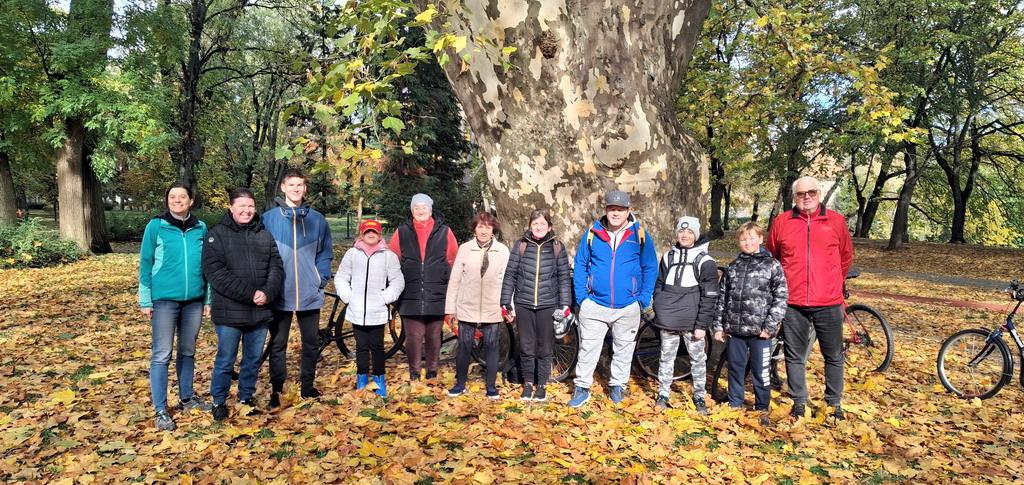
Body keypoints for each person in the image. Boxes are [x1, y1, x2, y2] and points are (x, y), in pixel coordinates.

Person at [765, 176, 854, 420]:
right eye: (801, 193)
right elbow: (772, 257)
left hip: (828, 301)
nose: (807, 197)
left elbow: (845, 256)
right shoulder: (782, 222)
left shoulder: (835, 221)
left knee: (833, 354)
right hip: (793, 302)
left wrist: (832, 281)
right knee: (795, 355)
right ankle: (799, 403)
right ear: (794, 196)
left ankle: (833, 404)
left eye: (811, 192)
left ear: (819, 193)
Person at [568, 190, 658, 408]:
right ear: (606, 210)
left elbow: (650, 266)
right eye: (611, 209)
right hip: (595, 304)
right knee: (588, 348)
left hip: (628, 305)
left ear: (628, 211)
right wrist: (582, 297)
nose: (615, 213)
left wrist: (643, 298)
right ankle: (582, 388)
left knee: (624, 348)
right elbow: (580, 264)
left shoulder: (640, 235)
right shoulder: (592, 233)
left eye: (620, 209)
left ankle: (617, 386)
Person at [203, 188, 284, 421]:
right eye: (242, 206)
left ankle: (245, 397)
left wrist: (268, 292)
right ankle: (219, 400)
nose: (247, 211)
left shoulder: (264, 235)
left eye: (250, 206)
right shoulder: (216, 235)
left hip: (259, 311)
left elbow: (276, 267)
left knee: (252, 360)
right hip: (230, 312)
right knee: (226, 359)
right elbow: (216, 274)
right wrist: (251, 294)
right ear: (231, 207)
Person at [138, 183, 212, 431]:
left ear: (191, 200)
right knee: (161, 354)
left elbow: (208, 266)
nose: (177, 200)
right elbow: (145, 264)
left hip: (194, 300)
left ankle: (187, 398)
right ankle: (160, 409)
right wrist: (145, 299)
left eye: (182, 196)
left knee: (188, 351)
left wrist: (208, 298)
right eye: (172, 196)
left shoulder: (201, 228)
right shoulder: (156, 226)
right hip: (165, 300)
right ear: (167, 200)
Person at [262, 168, 334, 406]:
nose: (295, 189)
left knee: (311, 343)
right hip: (279, 293)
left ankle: (307, 386)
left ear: (305, 188)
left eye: (300, 185)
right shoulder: (269, 219)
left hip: (309, 292)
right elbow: (262, 253)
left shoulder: (318, 220)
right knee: (278, 343)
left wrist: (320, 278)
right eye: (291, 185)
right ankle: (277, 389)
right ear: (283, 188)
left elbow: (325, 253)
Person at [713, 222, 788, 426]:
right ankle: (735, 402)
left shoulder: (772, 265)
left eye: (752, 238)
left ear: (761, 239)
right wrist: (719, 326)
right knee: (735, 368)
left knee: (760, 371)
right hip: (735, 330)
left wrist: (770, 326)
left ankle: (762, 406)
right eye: (744, 239)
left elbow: (780, 298)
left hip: (760, 332)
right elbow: (722, 298)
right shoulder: (733, 267)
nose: (747, 242)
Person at [499, 209, 572, 402]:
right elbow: (510, 274)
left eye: (542, 224)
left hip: (548, 304)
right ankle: (528, 383)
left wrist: (565, 304)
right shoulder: (521, 245)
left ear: (549, 227)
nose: (538, 227)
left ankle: (542, 385)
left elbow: (564, 277)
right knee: (526, 346)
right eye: (535, 224)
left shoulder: (557, 247)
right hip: (523, 303)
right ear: (530, 226)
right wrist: (506, 301)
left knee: (545, 347)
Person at [651, 216, 718, 414]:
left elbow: (710, 295)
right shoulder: (668, 257)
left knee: (697, 359)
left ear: (696, 235)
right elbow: (659, 284)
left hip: (693, 321)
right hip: (669, 318)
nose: (685, 235)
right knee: (666, 357)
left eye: (689, 232)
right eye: (681, 231)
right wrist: (660, 304)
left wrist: (702, 325)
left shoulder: (705, 262)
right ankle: (663, 393)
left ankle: (699, 395)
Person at [388, 194, 459, 382]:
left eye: (424, 207)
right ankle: (415, 370)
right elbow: (392, 259)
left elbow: (453, 259)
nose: (420, 211)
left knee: (434, 334)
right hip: (409, 290)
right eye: (416, 207)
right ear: (412, 210)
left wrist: (449, 282)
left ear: (430, 209)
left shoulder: (444, 231)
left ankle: (432, 369)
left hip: (437, 289)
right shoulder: (402, 231)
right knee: (413, 335)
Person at [335, 219, 404, 398]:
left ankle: (379, 380)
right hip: (357, 310)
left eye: (374, 232)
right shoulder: (352, 254)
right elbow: (342, 277)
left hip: (377, 311)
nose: (370, 234)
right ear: (362, 234)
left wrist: (385, 297)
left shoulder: (389, 256)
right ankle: (362, 380)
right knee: (361, 347)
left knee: (377, 347)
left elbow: (397, 281)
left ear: (379, 234)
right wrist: (348, 296)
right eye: (367, 232)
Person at [445, 213, 510, 399]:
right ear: (474, 228)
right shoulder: (465, 249)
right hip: (467, 305)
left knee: (491, 346)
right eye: (480, 227)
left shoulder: (502, 251)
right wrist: (451, 308)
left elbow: (508, 281)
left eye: (488, 227)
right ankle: (460, 384)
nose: (483, 231)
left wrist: (508, 306)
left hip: (493, 306)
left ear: (493, 230)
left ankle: (491, 387)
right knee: (465, 345)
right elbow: (455, 279)